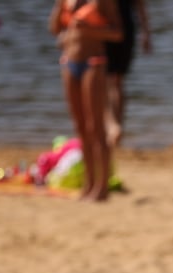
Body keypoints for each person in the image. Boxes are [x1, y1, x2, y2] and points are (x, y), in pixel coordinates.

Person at [49, 0, 123, 202]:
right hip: (69, 61)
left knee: (96, 128)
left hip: (94, 62)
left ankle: (102, 186)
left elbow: (117, 33)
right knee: (81, 128)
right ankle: (89, 183)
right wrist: (58, 8)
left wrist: (91, 30)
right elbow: (55, 29)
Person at [105, 0, 151, 148]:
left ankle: (114, 126)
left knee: (112, 81)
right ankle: (114, 125)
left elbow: (140, 6)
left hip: (117, 30)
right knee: (111, 82)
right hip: (113, 29)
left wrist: (145, 33)